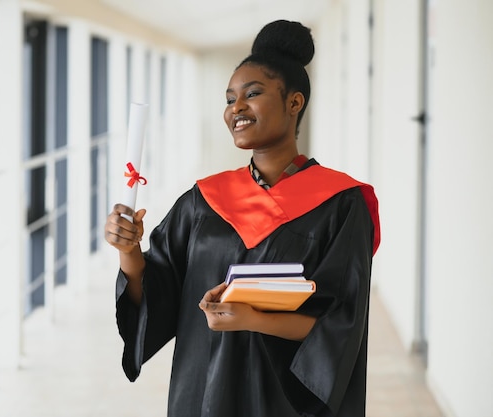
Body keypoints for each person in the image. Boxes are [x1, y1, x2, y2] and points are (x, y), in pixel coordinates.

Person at [105, 19, 381, 417]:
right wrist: (128, 251)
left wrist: (254, 318)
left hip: (285, 400)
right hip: (203, 390)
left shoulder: (341, 203)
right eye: (230, 98)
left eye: (252, 94)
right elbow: (157, 293)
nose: (236, 108)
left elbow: (343, 324)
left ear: (294, 102)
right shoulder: (203, 200)